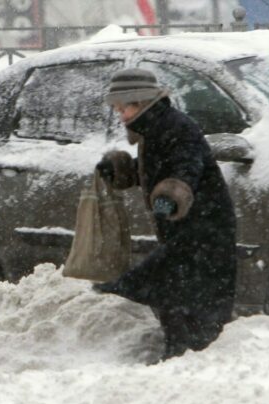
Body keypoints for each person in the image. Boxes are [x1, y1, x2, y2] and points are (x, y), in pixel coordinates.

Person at [93, 69, 237, 361]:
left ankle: (197, 363)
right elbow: (155, 169)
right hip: (186, 231)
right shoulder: (154, 129)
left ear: (143, 102)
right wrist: (122, 170)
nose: (121, 115)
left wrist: (170, 198)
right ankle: (180, 359)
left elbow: (186, 168)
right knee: (176, 298)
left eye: (125, 107)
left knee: (189, 299)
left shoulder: (177, 128)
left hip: (205, 230)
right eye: (117, 109)